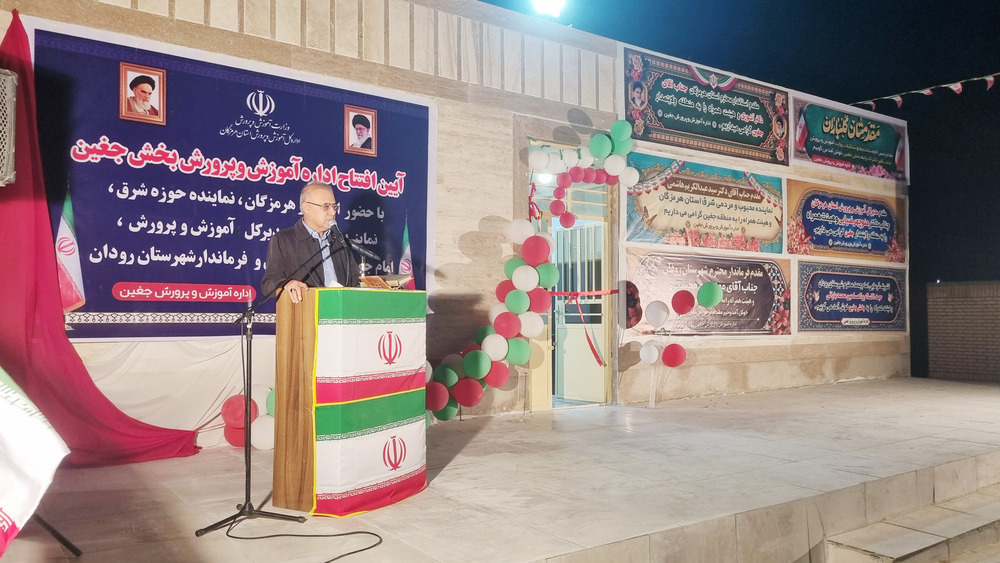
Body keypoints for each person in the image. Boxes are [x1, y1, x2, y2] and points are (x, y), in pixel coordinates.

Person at [261, 182, 361, 303]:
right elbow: (268, 284)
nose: (333, 212)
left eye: (334, 207)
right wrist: (287, 284)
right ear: (307, 208)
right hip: (303, 311)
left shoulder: (340, 241)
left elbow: (355, 281)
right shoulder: (283, 240)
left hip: (339, 310)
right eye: (326, 206)